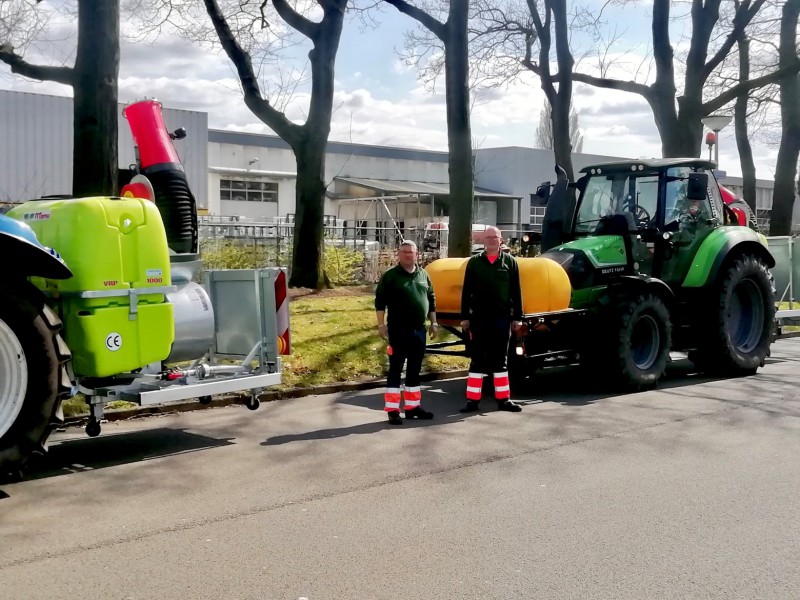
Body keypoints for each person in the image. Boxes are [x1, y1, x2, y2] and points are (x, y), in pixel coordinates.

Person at [459, 226, 523, 413]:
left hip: (502, 319)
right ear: (483, 241)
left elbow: (516, 292)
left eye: (495, 237)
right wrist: (464, 317)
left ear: (501, 239)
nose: (492, 240)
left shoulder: (510, 263)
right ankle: (472, 400)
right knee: (477, 360)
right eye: (488, 237)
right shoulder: (474, 263)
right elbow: (466, 292)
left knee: (500, 360)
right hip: (479, 319)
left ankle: (503, 399)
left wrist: (517, 317)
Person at [375, 240, 439, 425]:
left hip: (419, 330)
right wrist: (381, 325)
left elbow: (431, 300)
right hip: (398, 331)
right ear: (398, 254)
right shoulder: (391, 276)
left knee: (414, 370)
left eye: (410, 252)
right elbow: (380, 303)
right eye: (404, 252)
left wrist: (434, 323)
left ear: (416, 254)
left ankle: (412, 407)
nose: (407, 255)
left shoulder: (423, 275)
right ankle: (393, 410)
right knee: (396, 369)